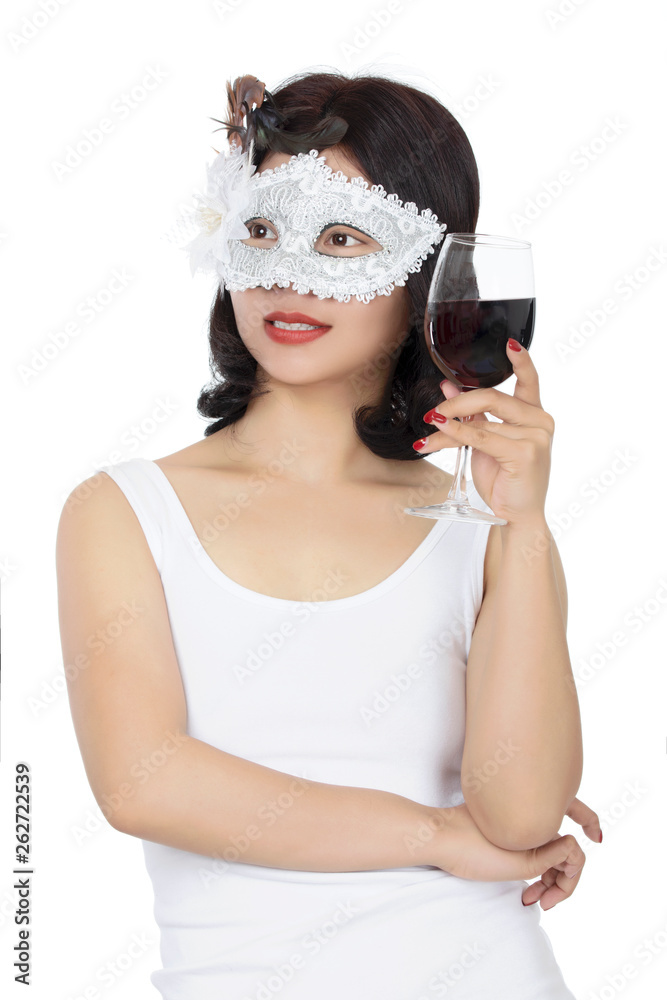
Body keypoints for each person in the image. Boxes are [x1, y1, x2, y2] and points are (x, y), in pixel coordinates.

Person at [56, 70, 601, 1000]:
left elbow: (515, 816)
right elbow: (145, 781)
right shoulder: (125, 512)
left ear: (430, 276)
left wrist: (522, 530)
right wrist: (434, 836)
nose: (282, 273)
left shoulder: (479, 528)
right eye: (262, 228)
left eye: (343, 238)